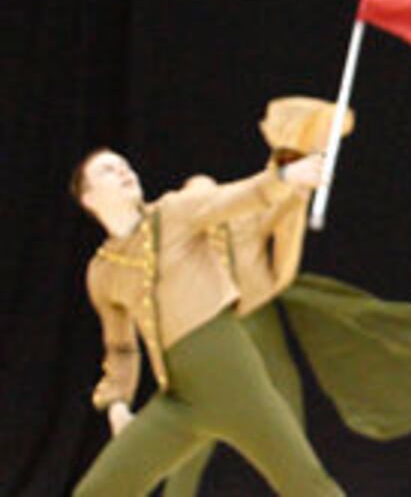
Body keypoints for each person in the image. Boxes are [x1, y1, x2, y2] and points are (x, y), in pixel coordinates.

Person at [161, 97, 411, 497]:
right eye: (193, 195)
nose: (204, 199)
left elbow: (281, 194)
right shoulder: (175, 239)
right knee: (196, 432)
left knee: (287, 425)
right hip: (212, 331)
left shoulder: (246, 218)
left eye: (210, 192)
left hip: (257, 320)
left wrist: (308, 155)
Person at [71, 145, 342, 496]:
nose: (125, 170)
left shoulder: (173, 212)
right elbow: (120, 347)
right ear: (89, 197)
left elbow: (234, 198)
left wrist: (286, 176)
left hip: (234, 380)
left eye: (125, 164)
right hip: (180, 400)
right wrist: (118, 405)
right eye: (109, 170)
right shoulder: (102, 271)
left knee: (306, 484)